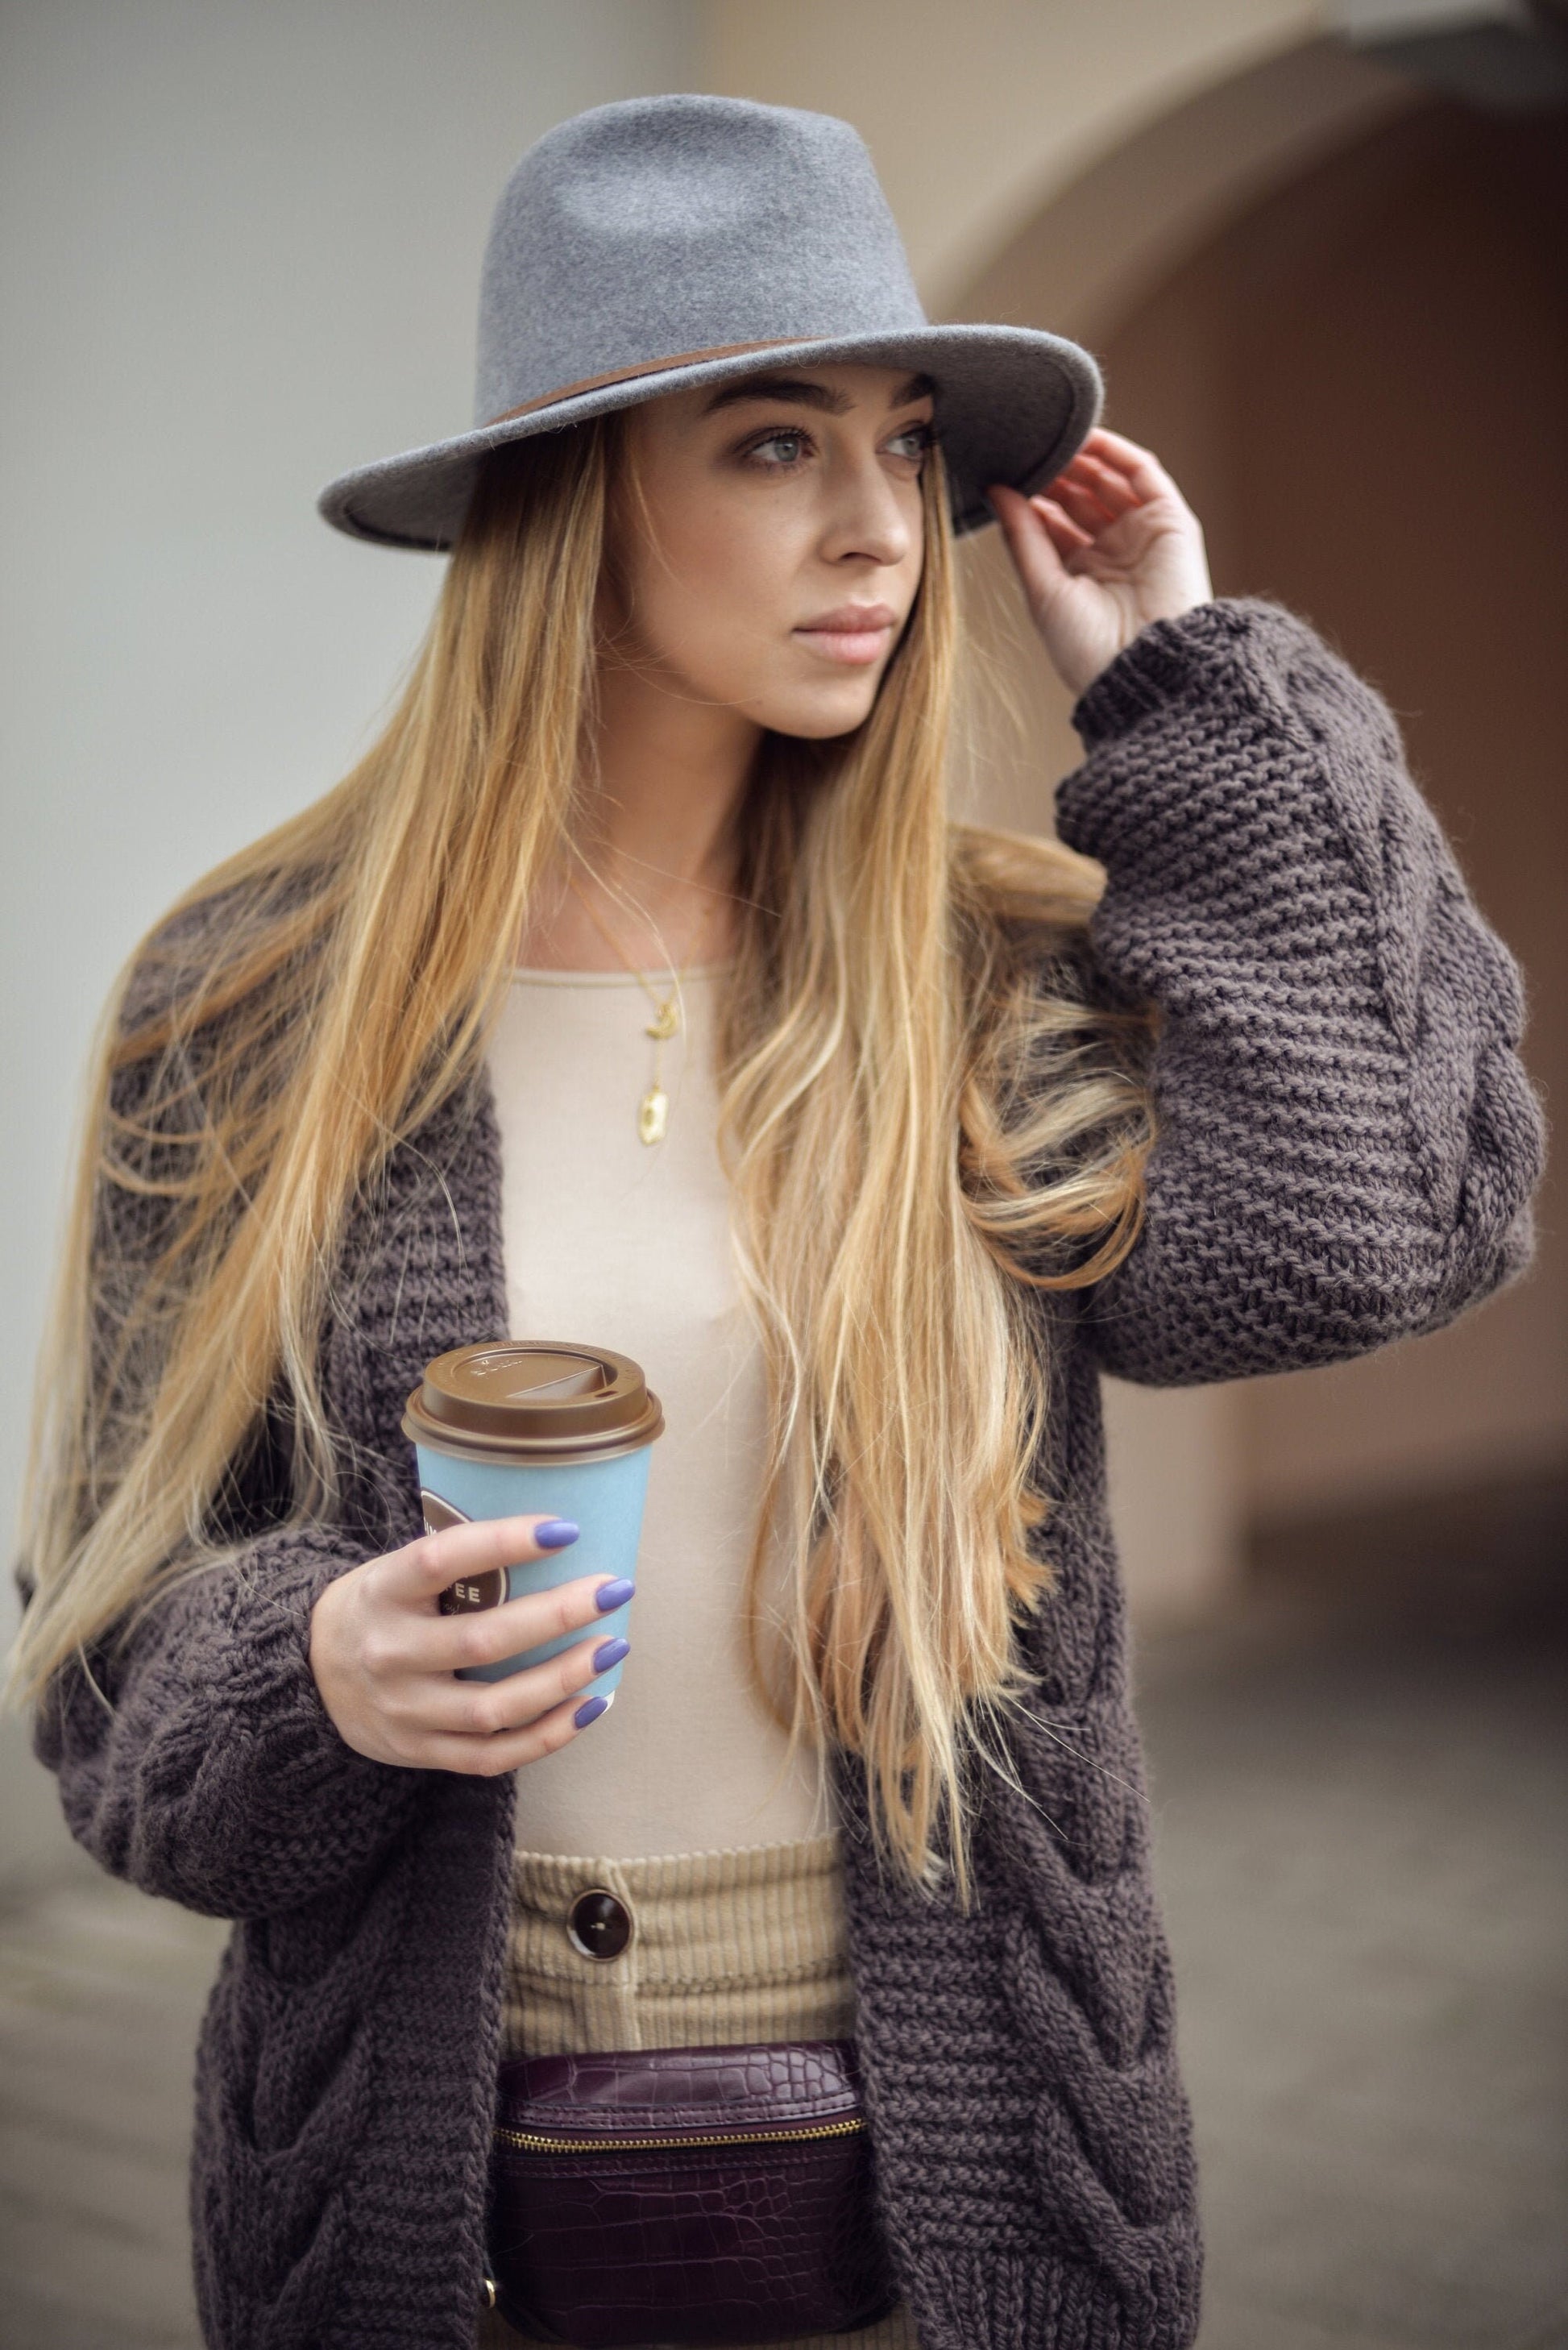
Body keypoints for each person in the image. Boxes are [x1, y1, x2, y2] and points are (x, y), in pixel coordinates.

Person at [11, 93, 1544, 2350]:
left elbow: (1397, 1220)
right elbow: (117, 1683)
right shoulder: (249, 1004)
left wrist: (1197, 691)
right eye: (766, 444)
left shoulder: (983, 977)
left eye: (902, 444)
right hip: (413, 2216)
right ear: (570, 500)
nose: (876, 529)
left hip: (968, 2187)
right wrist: (320, 1671)